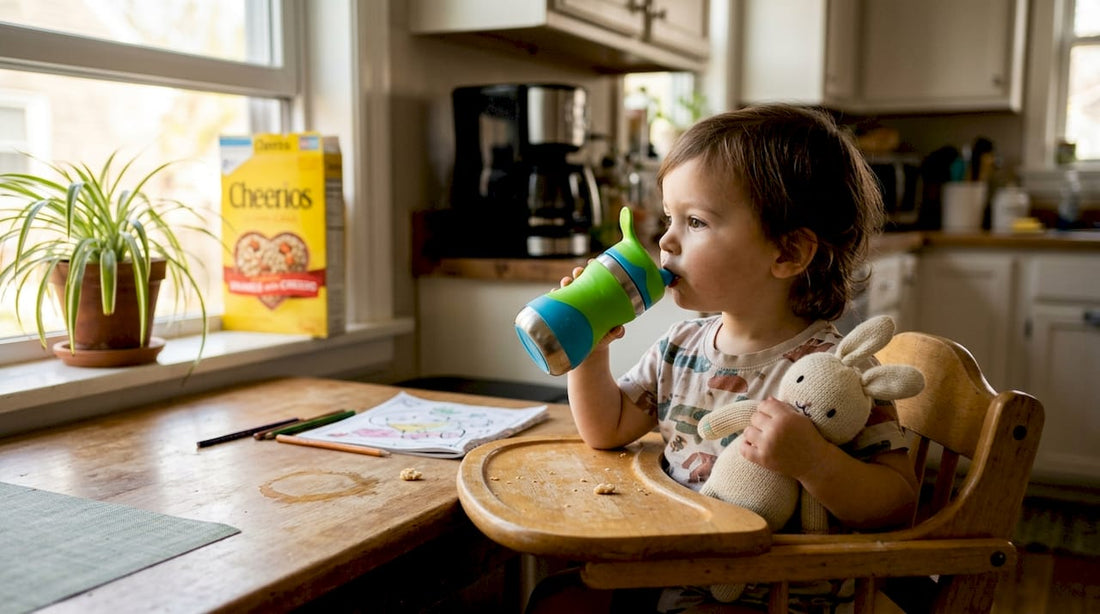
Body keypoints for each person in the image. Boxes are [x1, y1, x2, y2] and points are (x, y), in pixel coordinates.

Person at [526, 104, 919, 614]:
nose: (665, 241)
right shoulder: (679, 347)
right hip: (674, 569)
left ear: (787, 254)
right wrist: (591, 350)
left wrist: (817, 463)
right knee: (554, 601)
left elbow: (898, 502)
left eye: (695, 222)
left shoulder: (838, 372)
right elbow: (607, 428)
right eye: (669, 218)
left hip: (774, 595)